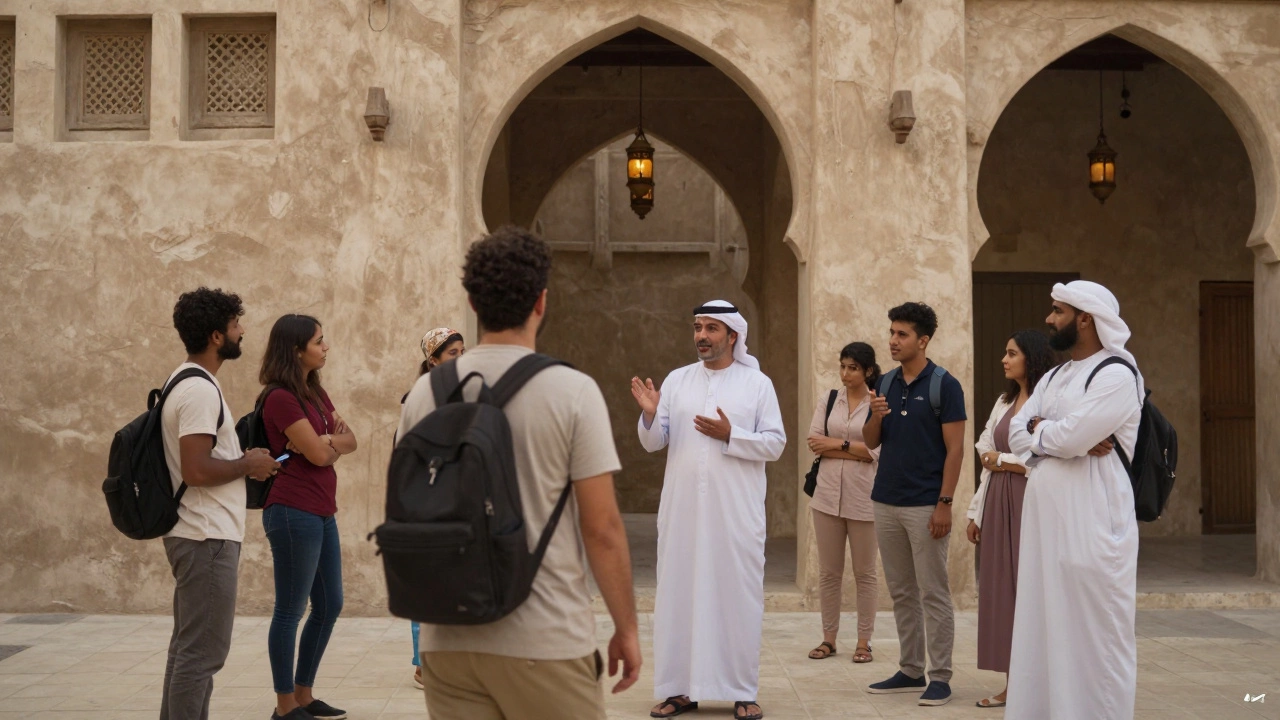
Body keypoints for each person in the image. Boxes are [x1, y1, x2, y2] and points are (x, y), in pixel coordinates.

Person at [398, 226, 641, 720]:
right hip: (545, 639)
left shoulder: (425, 394)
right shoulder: (572, 391)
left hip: (448, 642)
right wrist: (627, 628)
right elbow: (603, 528)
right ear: (541, 301)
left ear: (472, 300)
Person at [632, 300, 786, 720]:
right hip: (682, 514)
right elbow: (655, 442)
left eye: (712, 328)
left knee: (737, 597)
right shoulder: (677, 381)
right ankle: (678, 690)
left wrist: (730, 434)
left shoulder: (757, 385)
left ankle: (741, 691)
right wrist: (649, 417)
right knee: (679, 597)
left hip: (735, 515)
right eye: (698, 327)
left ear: (733, 336)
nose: (702, 335)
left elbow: (775, 443)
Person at [1005, 281, 1143, 720]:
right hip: (1046, 527)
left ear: (1084, 318)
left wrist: (1048, 432)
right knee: (1044, 626)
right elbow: (1015, 433)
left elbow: (1067, 437)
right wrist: (1055, 433)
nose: (1049, 319)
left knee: (1093, 631)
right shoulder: (1055, 375)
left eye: (1057, 311)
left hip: (1094, 523)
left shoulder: (1118, 374)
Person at [159, 287, 280, 720]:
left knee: (188, 651)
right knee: (202, 655)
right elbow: (196, 469)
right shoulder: (199, 391)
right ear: (215, 335)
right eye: (235, 325)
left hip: (197, 533)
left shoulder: (186, 381)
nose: (241, 331)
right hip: (205, 536)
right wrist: (247, 464)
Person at [862, 302, 965, 707]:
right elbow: (872, 441)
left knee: (933, 593)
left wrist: (945, 503)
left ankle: (940, 676)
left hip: (926, 504)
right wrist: (873, 415)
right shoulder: (885, 383)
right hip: (885, 501)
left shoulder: (945, 385)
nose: (892, 340)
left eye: (902, 334)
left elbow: (955, 451)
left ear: (923, 340)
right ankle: (910, 669)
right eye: (891, 332)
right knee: (902, 591)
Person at [259, 314, 359, 720]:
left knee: (330, 604)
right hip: (291, 511)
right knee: (289, 609)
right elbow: (320, 456)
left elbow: (350, 441)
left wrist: (327, 440)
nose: (326, 346)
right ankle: (284, 706)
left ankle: (304, 694)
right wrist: (326, 446)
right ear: (297, 349)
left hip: (321, 511)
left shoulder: (315, 393)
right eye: (319, 341)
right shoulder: (280, 397)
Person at [964, 330, 1053, 709]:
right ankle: (1012, 683)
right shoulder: (1005, 400)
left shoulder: (1049, 402)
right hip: (998, 501)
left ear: (1030, 359)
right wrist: (975, 511)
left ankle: (1042, 684)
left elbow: (1047, 455)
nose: (1004, 359)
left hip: (1033, 502)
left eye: (1011, 353)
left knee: (1032, 590)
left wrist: (1003, 461)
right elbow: (984, 444)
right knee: (1003, 591)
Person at [805, 342, 881, 664]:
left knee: (865, 573)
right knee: (829, 573)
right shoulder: (829, 399)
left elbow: (877, 451)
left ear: (868, 371)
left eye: (853, 367)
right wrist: (854, 448)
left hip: (864, 498)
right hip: (825, 498)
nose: (845, 373)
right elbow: (814, 443)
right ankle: (828, 639)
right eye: (843, 366)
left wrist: (837, 444)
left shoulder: (877, 405)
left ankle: (864, 642)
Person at [407, 326, 466, 690]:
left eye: (463, 351)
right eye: (453, 353)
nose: (461, 359)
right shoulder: (422, 398)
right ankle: (424, 666)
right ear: (433, 361)